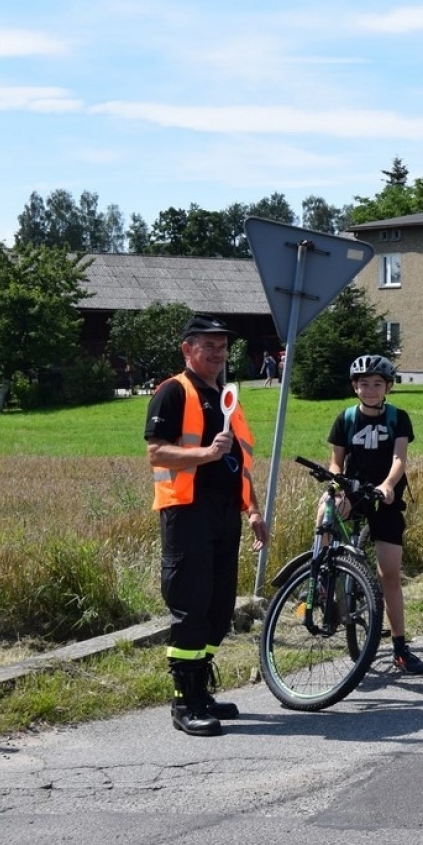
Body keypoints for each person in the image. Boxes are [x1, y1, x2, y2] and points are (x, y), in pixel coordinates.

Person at [145, 314, 267, 737]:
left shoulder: (227, 396)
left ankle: (202, 689)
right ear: (187, 349)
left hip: (224, 512)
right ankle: (184, 701)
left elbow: (240, 462)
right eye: (207, 346)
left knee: (218, 608)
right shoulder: (172, 392)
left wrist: (252, 510)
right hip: (186, 510)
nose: (217, 353)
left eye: (222, 347)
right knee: (191, 603)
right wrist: (205, 456)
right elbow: (157, 454)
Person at [326, 354, 423, 674]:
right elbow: (336, 462)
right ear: (355, 387)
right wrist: (337, 485)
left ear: (388, 388)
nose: (370, 390)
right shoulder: (346, 418)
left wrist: (388, 484)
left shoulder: (398, 417)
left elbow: (399, 459)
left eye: (377, 384)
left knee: (389, 574)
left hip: (385, 493)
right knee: (325, 511)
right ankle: (324, 578)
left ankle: (399, 647)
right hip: (354, 489)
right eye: (364, 384)